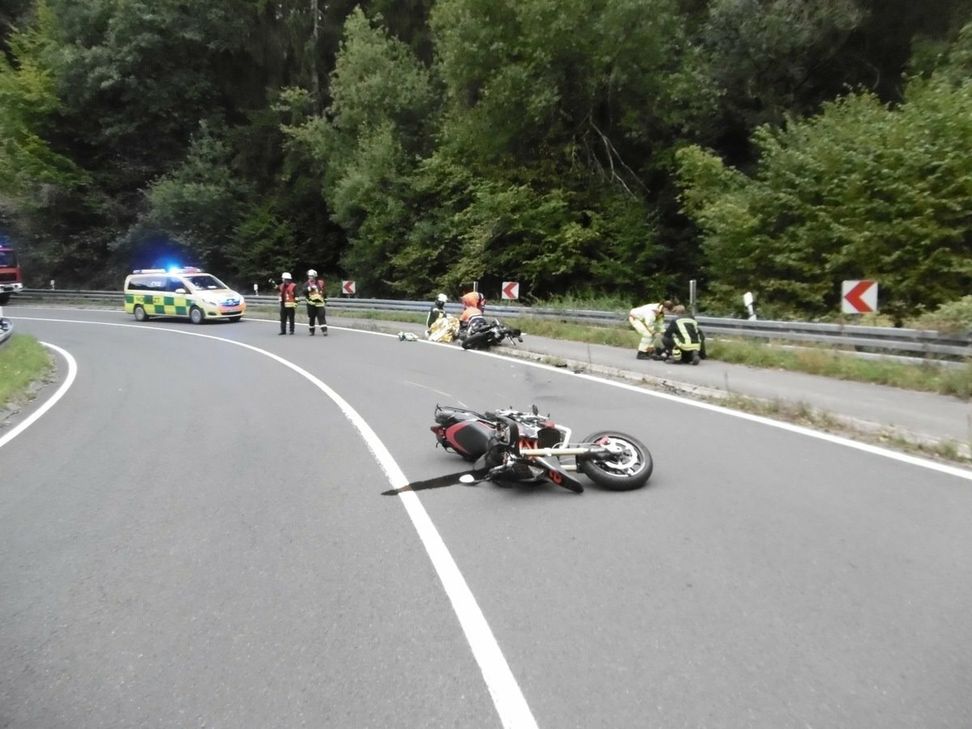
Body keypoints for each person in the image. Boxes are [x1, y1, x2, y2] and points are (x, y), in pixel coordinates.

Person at [302, 269, 327, 336]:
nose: (310, 277)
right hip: (311, 304)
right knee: (312, 317)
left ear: (315, 276)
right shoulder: (306, 284)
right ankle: (311, 331)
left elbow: (324, 292)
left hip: (320, 303)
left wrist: (325, 300)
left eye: (311, 276)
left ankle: (324, 330)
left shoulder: (320, 283)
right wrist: (309, 288)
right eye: (309, 276)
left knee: (321, 316)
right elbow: (303, 292)